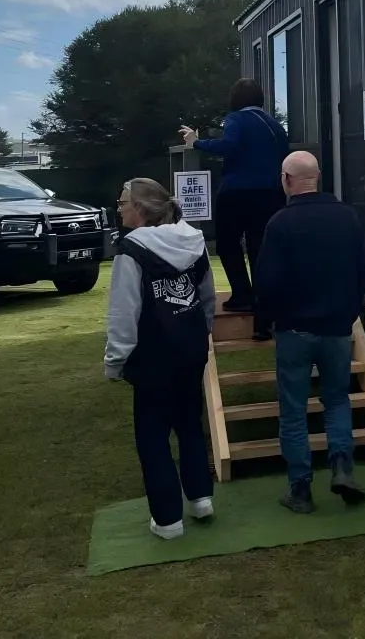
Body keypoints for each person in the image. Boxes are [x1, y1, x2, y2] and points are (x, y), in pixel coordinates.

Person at [254, 151, 365, 515]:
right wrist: (351, 312)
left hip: (294, 329)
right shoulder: (347, 217)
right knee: (337, 400)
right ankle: (341, 468)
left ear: (287, 179)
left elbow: (267, 282)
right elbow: (360, 272)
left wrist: (269, 320)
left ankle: (300, 490)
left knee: (293, 410)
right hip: (337, 327)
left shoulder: (280, 223)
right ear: (316, 177)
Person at [104, 178, 217, 540]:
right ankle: (201, 498)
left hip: (154, 353)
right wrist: (202, 334)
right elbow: (207, 297)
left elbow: (125, 311)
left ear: (141, 207)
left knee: (152, 434)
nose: (118, 207)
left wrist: (114, 359)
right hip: (191, 347)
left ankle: (168, 519)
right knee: (189, 423)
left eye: (122, 201)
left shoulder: (131, 249)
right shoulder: (194, 240)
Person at [180, 78, 289, 334]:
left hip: (238, 192)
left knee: (228, 244)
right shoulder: (275, 125)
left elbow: (228, 146)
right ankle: (263, 310)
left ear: (236, 99)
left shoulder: (236, 120)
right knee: (259, 249)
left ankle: (242, 296)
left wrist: (196, 142)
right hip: (272, 193)